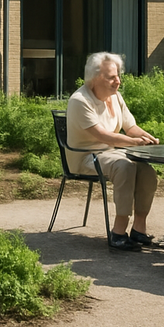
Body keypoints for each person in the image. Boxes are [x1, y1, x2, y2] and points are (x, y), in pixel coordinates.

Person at [66, 52, 159, 251]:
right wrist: (135, 143)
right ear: (95, 77)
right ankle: (118, 233)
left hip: (111, 154)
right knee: (124, 167)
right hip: (85, 157)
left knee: (147, 170)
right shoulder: (80, 101)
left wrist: (149, 139)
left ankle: (139, 230)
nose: (118, 81)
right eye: (111, 77)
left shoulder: (115, 97)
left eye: (118, 76)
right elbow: (104, 136)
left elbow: (131, 127)